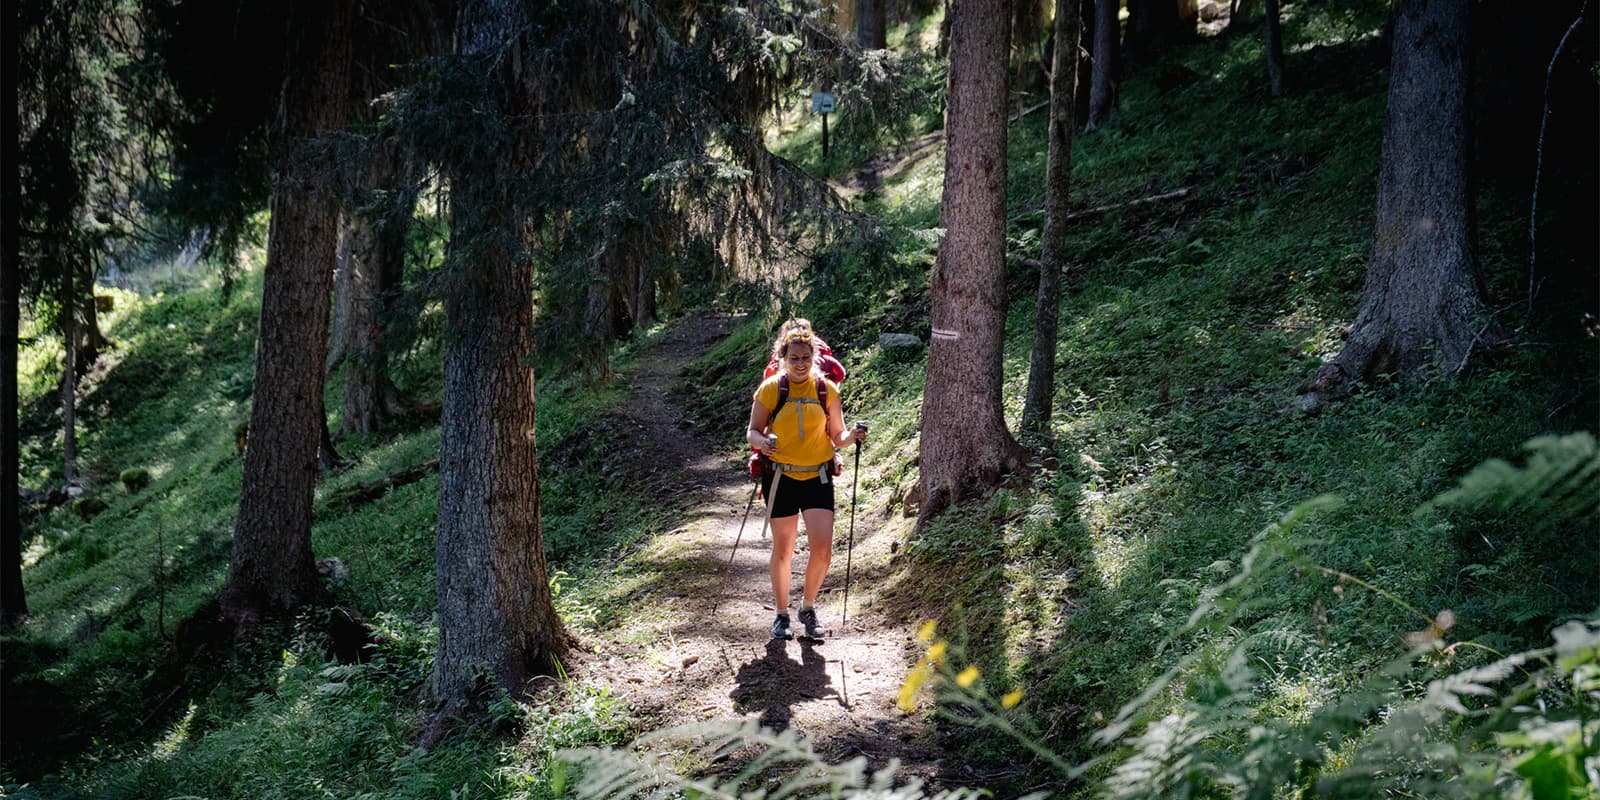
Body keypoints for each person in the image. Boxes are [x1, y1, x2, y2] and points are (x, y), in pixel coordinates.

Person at [746, 319, 867, 640]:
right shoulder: (772, 389)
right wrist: (764, 443)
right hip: (781, 477)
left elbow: (837, 435)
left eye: (805, 358)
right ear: (783, 359)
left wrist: (852, 435)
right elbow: (752, 432)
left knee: (823, 549)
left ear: (815, 358)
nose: (800, 364)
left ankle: (808, 607)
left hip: (818, 477)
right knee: (783, 550)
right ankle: (782, 615)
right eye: (794, 358)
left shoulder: (827, 389)